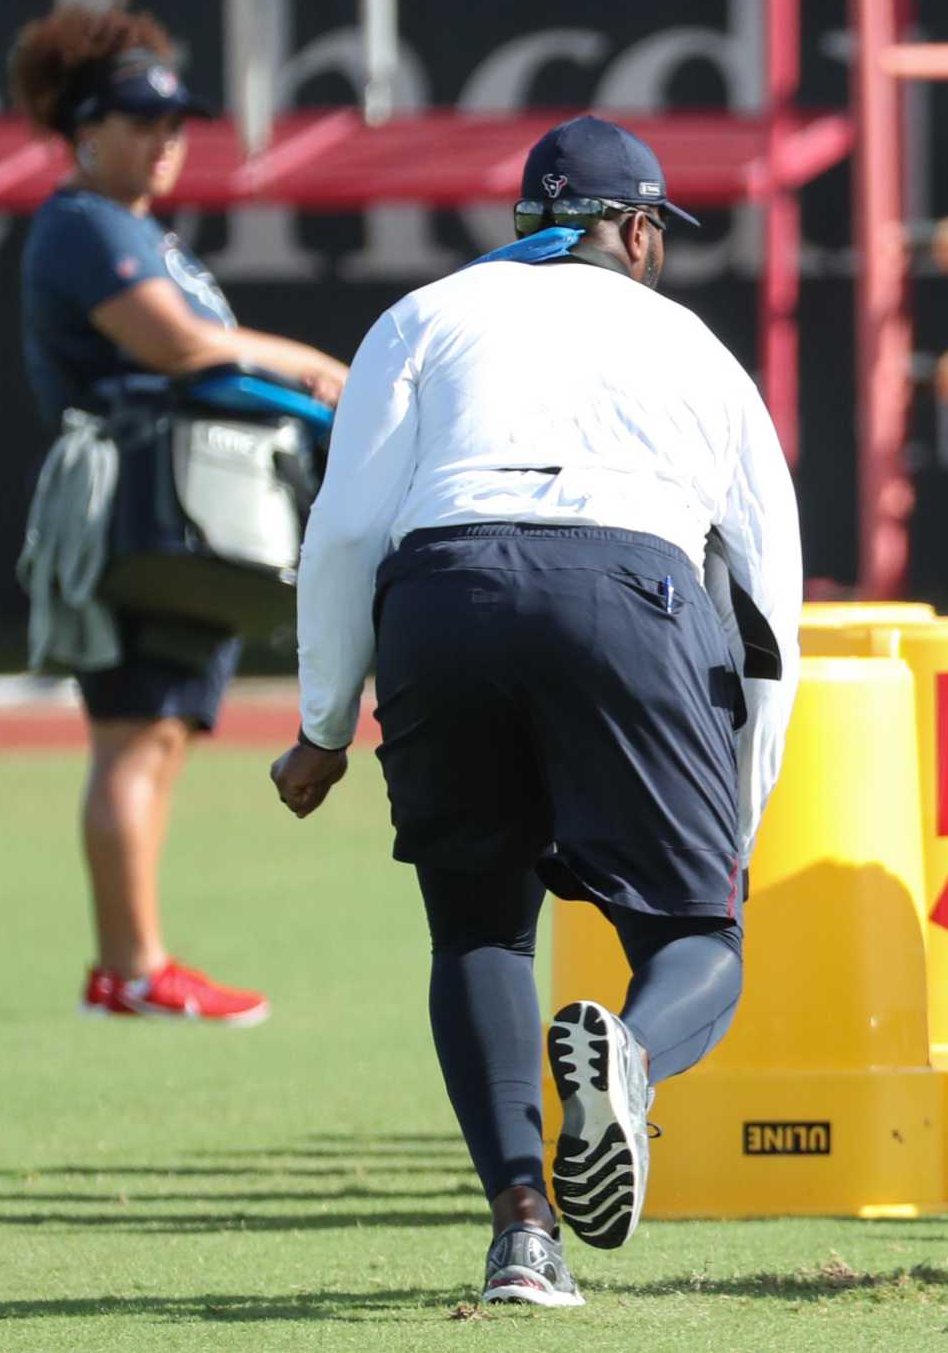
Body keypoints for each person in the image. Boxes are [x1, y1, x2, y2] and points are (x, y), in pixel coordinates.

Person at [268, 115, 801, 1308]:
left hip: (441, 592)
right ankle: (634, 1055)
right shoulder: (696, 347)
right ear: (637, 232)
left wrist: (318, 729)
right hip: (630, 591)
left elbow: (346, 533)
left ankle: (523, 1233)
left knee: (478, 933)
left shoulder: (422, 315)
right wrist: (741, 804)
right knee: (693, 942)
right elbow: (771, 589)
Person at [9, 0, 347, 1023]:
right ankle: (130, 969)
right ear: (83, 132)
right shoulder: (81, 223)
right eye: (139, 119)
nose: (164, 140)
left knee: (158, 735)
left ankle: (134, 965)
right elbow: (181, 348)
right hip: (135, 509)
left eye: (174, 122)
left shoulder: (143, 231)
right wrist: (316, 369)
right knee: (130, 735)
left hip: (192, 511)